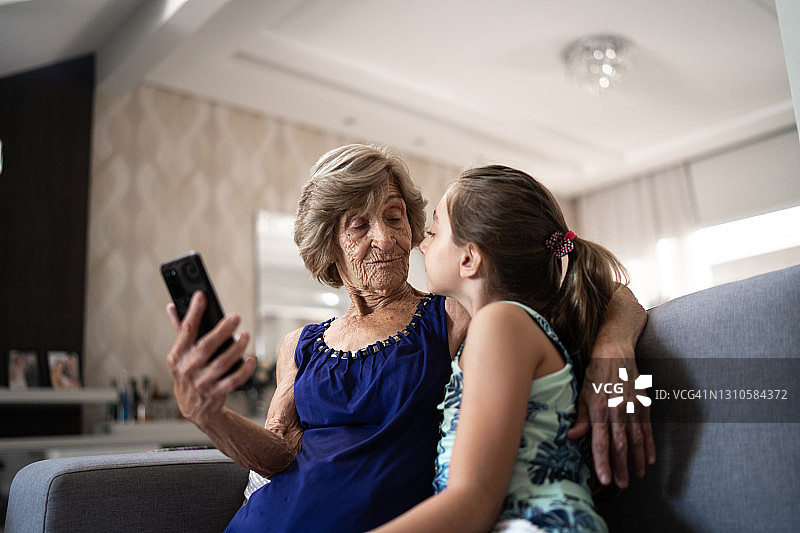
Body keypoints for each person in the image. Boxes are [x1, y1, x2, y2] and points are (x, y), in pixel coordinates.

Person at [165, 145, 653, 532]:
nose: (388, 238)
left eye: (395, 217)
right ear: (330, 245)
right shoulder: (301, 345)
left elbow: (587, 286)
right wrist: (209, 416)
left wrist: (613, 348)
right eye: (359, 225)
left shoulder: (460, 314)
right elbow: (278, 452)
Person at [372, 165, 631, 532]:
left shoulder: (500, 323)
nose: (422, 243)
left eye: (433, 231)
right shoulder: (504, 325)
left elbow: (472, 501)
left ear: (469, 259)